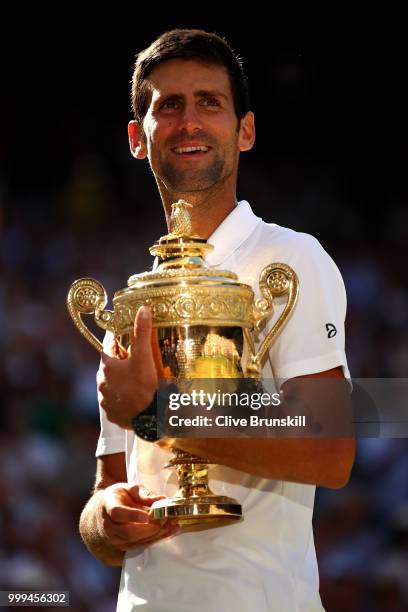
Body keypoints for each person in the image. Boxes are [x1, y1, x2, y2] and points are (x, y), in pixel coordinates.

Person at [79, 29, 355, 611]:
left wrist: (158, 414)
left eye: (210, 102)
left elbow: (332, 452)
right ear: (137, 137)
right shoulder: (133, 300)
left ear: (245, 130)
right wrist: (106, 523)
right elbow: (104, 498)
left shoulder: (293, 259)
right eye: (169, 105)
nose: (190, 121)